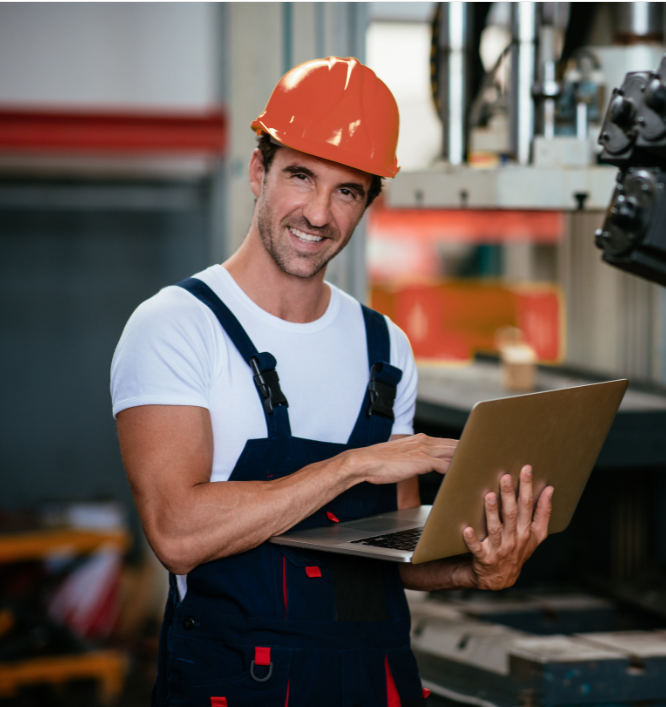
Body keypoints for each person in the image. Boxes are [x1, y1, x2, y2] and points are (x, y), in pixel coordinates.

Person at [110, 57, 554, 706]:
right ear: (259, 171)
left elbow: (390, 548)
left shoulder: (385, 347)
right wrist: (354, 465)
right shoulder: (176, 327)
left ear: (369, 201)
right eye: (301, 175)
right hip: (236, 686)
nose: (318, 213)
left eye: (347, 190)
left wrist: (475, 568)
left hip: (370, 683)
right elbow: (178, 534)